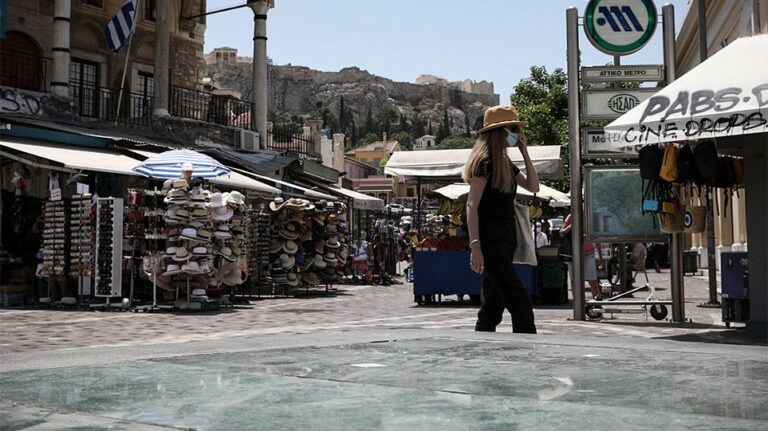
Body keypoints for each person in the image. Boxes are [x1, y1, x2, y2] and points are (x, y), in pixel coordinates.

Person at [462, 105, 539, 334]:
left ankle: (483, 343)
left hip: (506, 238)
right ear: (500, 131)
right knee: (519, 301)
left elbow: (533, 186)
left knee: (492, 305)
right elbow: (471, 205)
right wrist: (475, 246)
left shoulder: (505, 163)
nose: (517, 133)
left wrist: (525, 152)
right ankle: (527, 346)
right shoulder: (484, 162)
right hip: (490, 239)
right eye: (513, 129)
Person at [560, 214, 604, 300]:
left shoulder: (591, 217)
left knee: (592, 280)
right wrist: (570, 226)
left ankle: (597, 302)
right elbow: (561, 232)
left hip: (588, 253)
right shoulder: (571, 216)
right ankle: (577, 304)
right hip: (573, 253)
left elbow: (596, 238)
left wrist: (600, 257)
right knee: (574, 281)